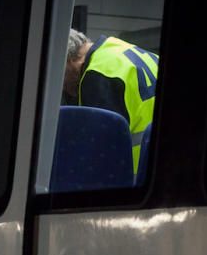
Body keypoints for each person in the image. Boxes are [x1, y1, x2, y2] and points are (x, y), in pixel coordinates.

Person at [64, 29, 159, 173]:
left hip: (136, 175)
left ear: (67, 61)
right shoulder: (117, 49)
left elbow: (99, 154)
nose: (63, 87)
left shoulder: (97, 75)